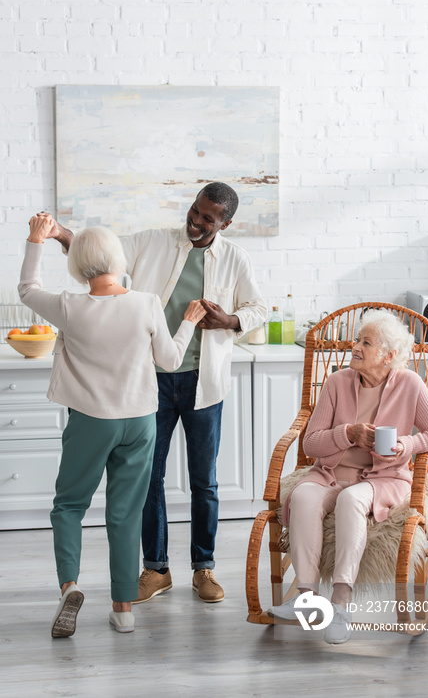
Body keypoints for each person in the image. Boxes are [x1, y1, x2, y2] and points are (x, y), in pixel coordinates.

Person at [35, 182, 267, 603]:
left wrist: (230, 321)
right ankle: (155, 569)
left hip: (203, 381)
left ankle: (204, 568)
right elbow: (100, 254)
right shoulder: (153, 242)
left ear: (226, 223)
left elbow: (258, 308)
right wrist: (58, 234)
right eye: (194, 211)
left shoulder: (235, 258)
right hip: (149, 382)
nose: (196, 221)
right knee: (148, 480)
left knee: (205, 482)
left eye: (207, 218)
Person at [19, 215, 206, 637]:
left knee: (69, 506)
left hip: (91, 422)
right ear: (117, 259)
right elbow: (171, 362)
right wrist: (190, 321)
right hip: (140, 422)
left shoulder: (69, 306)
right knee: (125, 513)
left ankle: (69, 586)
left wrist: (36, 240)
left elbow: (27, 289)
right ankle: (123, 608)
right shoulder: (147, 303)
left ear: (79, 264)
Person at [268, 310, 428, 644]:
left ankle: (341, 601)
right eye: (357, 340)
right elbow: (311, 443)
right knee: (304, 498)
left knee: (352, 499)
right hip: (331, 473)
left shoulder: (409, 384)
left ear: (388, 356)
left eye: (365, 342)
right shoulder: (337, 383)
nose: (355, 347)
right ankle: (307, 599)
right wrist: (348, 433)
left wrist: (406, 444)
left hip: (384, 480)